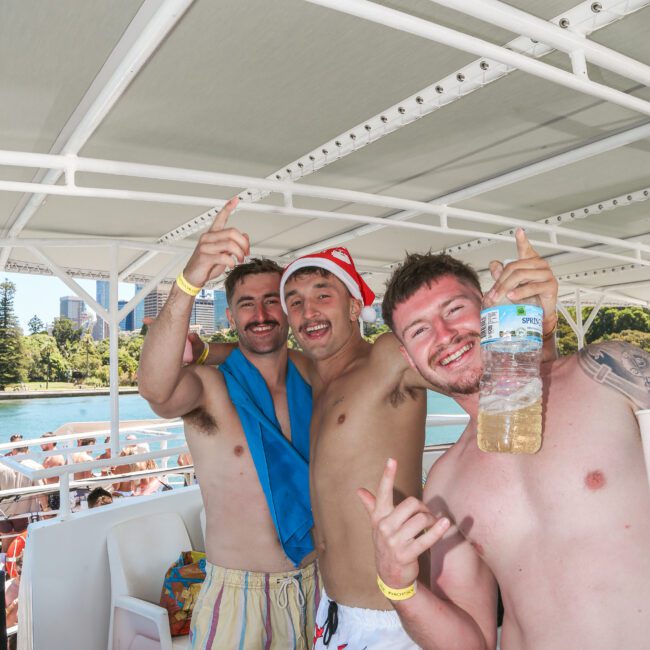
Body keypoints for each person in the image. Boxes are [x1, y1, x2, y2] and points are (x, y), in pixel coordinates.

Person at [359, 244, 650, 650]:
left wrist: (541, 336)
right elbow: (471, 643)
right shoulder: (445, 481)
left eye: (455, 309)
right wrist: (399, 588)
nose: (444, 336)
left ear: (490, 306)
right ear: (409, 358)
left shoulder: (603, 374)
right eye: (420, 330)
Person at [277, 231, 558, 649]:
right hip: (333, 609)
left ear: (355, 306)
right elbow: (253, 350)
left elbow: (493, 376)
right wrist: (205, 352)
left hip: (394, 616)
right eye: (295, 302)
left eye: (322, 294)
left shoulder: (388, 356)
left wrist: (541, 330)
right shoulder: (314, 376)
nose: (307, 310)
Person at [138, 198, 319, 649]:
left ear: (289, 309)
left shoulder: (317, 379)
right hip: (239, 598)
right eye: (245, 304)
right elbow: (156, 390)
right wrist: (190, 278)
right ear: (230, 314)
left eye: (271, 302)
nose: (260, 316)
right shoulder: (211, 391)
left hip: (319, 586)